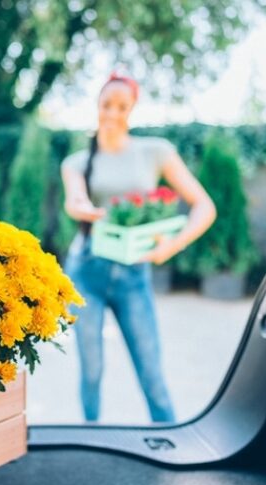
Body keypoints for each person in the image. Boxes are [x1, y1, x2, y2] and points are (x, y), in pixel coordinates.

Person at [61, 72, 216, 423]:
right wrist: (82, 207)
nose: (112, 114)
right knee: (91, 371)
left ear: (132, 109)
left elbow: (204, 206)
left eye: (122, 107)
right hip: (86, 272)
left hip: (134, 273)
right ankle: (91, 440)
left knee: (151, 370)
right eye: (106, 105)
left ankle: (169, 439)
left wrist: (172, 246)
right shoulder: (76, 162)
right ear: (96, 105)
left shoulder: (155, 152)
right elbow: (75, 199)